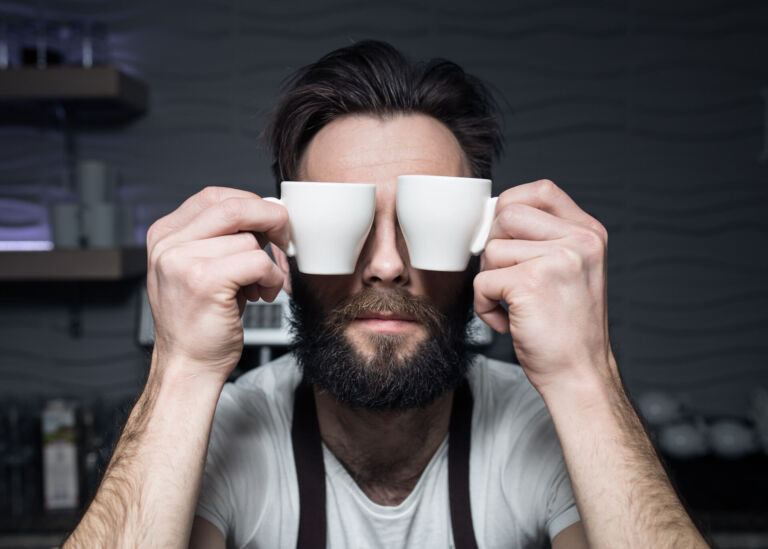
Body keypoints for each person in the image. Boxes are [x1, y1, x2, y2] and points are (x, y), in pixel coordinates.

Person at [63, 40, 709, 548]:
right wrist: (180, 369)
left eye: (428, 224)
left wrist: (584, 375)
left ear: (482, 239)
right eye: (339, 225)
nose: (386, 266)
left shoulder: (540, 428)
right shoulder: (229, 431)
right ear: (284, 237)